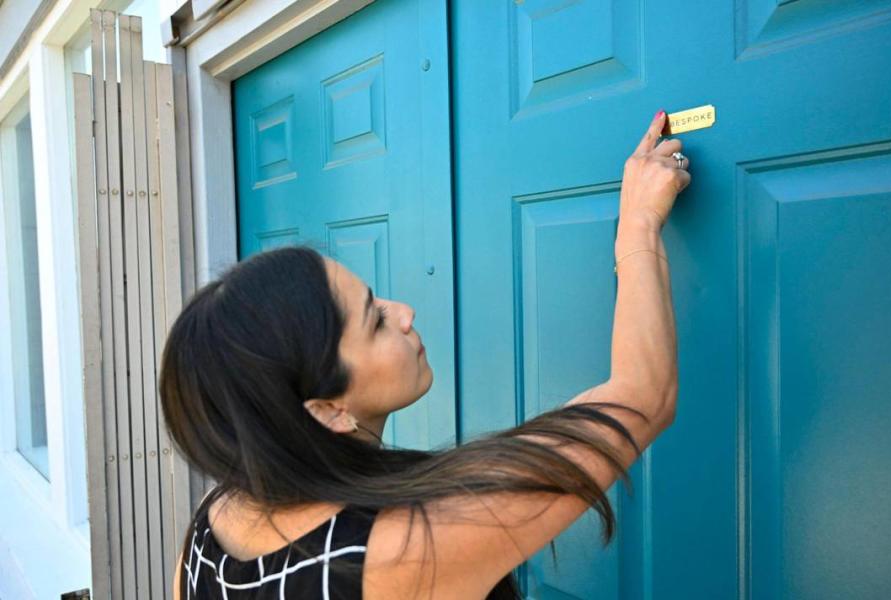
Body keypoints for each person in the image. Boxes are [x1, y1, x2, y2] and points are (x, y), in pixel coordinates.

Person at [164, 109, 690, 599]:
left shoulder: (207, 533)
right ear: (327, 408)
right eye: (375, 320)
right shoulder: (391, 555)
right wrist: (638, 225)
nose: (406, 313)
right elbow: (642, 398)